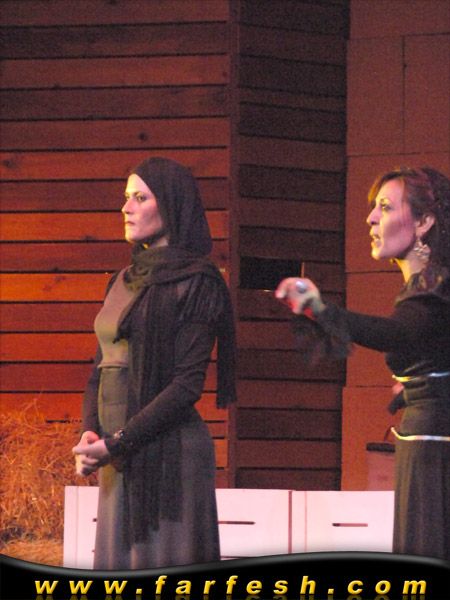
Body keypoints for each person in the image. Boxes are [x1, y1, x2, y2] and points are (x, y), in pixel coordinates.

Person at [275, 166, 450, 561]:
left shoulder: (434, 287)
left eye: (385, 207)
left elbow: (399, 333)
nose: (371, 218)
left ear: (424, 222)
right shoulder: (431, 287)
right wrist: (419, 388)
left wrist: (320, 310)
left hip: (434, 452)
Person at [72, 157, 236, 569]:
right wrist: (90, 431)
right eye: (126, 197)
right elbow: (99, 368)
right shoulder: (121, 280)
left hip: (168, 459)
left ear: (171, 204)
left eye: (140, 198)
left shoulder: (197, 281)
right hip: (119, 455)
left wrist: (117, 442)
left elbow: (186, 385)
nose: (126, 207)